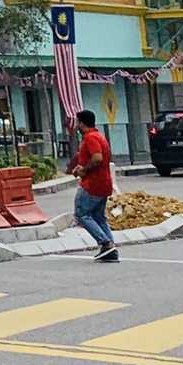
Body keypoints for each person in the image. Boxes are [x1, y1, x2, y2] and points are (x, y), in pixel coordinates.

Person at [68, 109, 117, 263]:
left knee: (81, 214)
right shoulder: (99, 136)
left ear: (81, 123)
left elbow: (97, 158)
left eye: (77, 122)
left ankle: (105, 243)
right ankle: (111, 249)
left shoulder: (90, 138)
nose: (76, 125)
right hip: (104, 183)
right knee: (98, 217)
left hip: (92, 184)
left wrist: (84, 169)